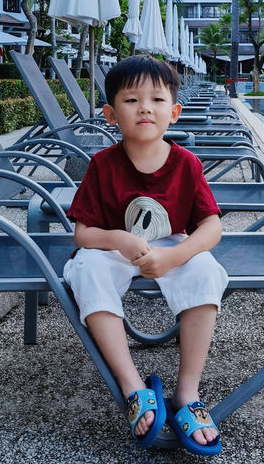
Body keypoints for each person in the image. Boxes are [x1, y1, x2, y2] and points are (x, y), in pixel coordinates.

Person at [63, 55, 228, 455]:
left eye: (156, 100)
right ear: (110, 113)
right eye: (132, 100)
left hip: (171, 244)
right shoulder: (102, 164)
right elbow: (83, 234)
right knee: (85, 269)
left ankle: (187, 393)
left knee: (205, 269)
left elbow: (212, 227)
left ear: (173, 112)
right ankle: (132, 385)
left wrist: (176, 256)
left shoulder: (186, 164)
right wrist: (118, 239)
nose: (145, 108)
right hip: (115, 248)